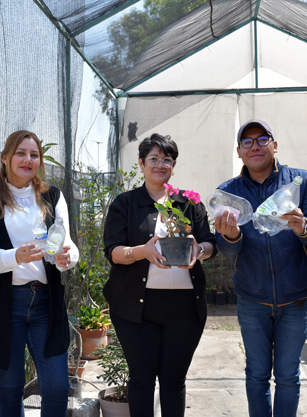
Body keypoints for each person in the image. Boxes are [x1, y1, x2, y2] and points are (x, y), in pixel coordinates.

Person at [214, 119, 307, 416]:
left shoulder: (302, 182)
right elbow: (226, 249)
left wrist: (302, 225)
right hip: (252, 298)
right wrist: (231, 235)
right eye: (247, 142)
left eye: (262, 139)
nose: (255, 146)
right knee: (257, 374)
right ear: (239, 151)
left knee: (288, 375)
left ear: (275, 145)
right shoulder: (229, 193)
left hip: (295, 297)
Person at [103, 133, 216, 417]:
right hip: (136, 309)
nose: (160, 164)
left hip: (185, 309)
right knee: (141, 380)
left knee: (174, 380)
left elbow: (210, 244)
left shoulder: (188, 203)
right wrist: (142, 251)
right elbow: (113, 251)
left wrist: (198, 250)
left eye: (167, 159)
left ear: (174, 166)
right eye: (153, 159)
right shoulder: (125, 203)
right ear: (141, 163)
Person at [0, 130, 79, 416]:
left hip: (45, 302)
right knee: (8, 386)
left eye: (34, 154)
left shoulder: (52, 196)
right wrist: (14, 257)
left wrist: (67, 258)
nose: (28, 159)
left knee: (57, 386)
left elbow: (67, 245)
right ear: (5, 158)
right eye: (20, 153)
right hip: (4, 303)